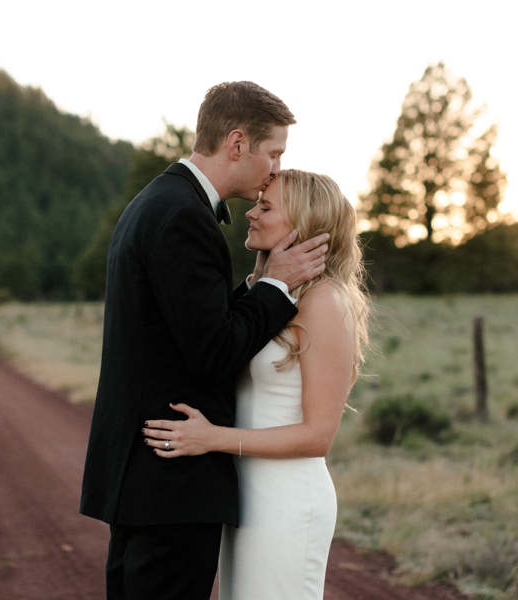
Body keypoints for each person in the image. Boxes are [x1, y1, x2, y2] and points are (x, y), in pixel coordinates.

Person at [79, 82, 330, 600]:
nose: (276, 170)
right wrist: (278, 287)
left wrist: (259, 286)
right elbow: (213, 351)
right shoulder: (184, 217)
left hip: (146, 477)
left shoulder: (161, 201)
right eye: (273, 153)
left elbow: (191, 322)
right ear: (237, 144)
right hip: (171, 482)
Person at [143, 169, 370, 599]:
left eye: (266, 207)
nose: (251, 213)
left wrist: (211, 438)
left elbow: (318, 436)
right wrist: (262, 281)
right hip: (248, 495)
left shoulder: (324, 302)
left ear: (302, 225)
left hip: (287, 500)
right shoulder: (273, 295)